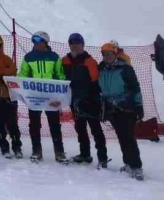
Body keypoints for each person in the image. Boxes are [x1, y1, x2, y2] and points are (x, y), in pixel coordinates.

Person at [18, 31, 66, 163]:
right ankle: (36, 151)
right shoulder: (28, 57)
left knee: (54, 124)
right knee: (34, 124)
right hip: (35, 97)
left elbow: (60, 75)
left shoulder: (54, 57)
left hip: (51, 96)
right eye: (34, 42)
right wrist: (22, 89)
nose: (36, 44)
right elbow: (23, 75)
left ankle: (59, 152)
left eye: (39, 41)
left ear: (45, 42)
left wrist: (60, 93)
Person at [99, 42, 144, 180]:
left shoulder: (125, 69)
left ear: (115, 54)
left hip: (126, 108)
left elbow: (135, 88)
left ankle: (136, 167)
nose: (107, 56)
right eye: (104, 54)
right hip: (111, 109)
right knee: (121, 137)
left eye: (109, 54)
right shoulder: (102, 69)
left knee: (128, 137)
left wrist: (138, 106)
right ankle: (128, 163)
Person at [62, 33, 108, 167]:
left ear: (82, 44)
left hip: (89, 101)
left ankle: (102, 158)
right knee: (80, 129)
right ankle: (85, 154)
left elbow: (95, 82)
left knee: (96, 130)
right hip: (74, 102)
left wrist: (92, 99)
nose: (75, 45)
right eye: (72, 43)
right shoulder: (64, 60)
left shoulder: (90, 61)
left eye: (77, 43)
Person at [0, 34, 22, 158]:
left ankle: (17, 147)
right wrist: (1, 75)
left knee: (13, 123)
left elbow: (12, 72)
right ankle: (4, 147)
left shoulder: (7, 59)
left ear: (1, 46)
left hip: (9, 96)